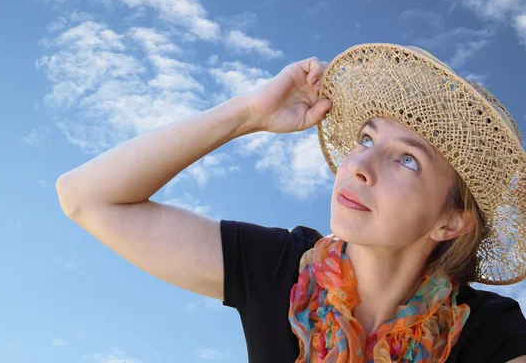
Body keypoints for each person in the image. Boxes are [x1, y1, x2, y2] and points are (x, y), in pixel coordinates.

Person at [55, 43, 526, 362]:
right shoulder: (278, 267)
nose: (360, 165)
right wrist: (249, 114)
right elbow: (86, 198)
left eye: (407, 160)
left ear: (450, 221)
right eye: (366, 138)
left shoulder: (490, 333)